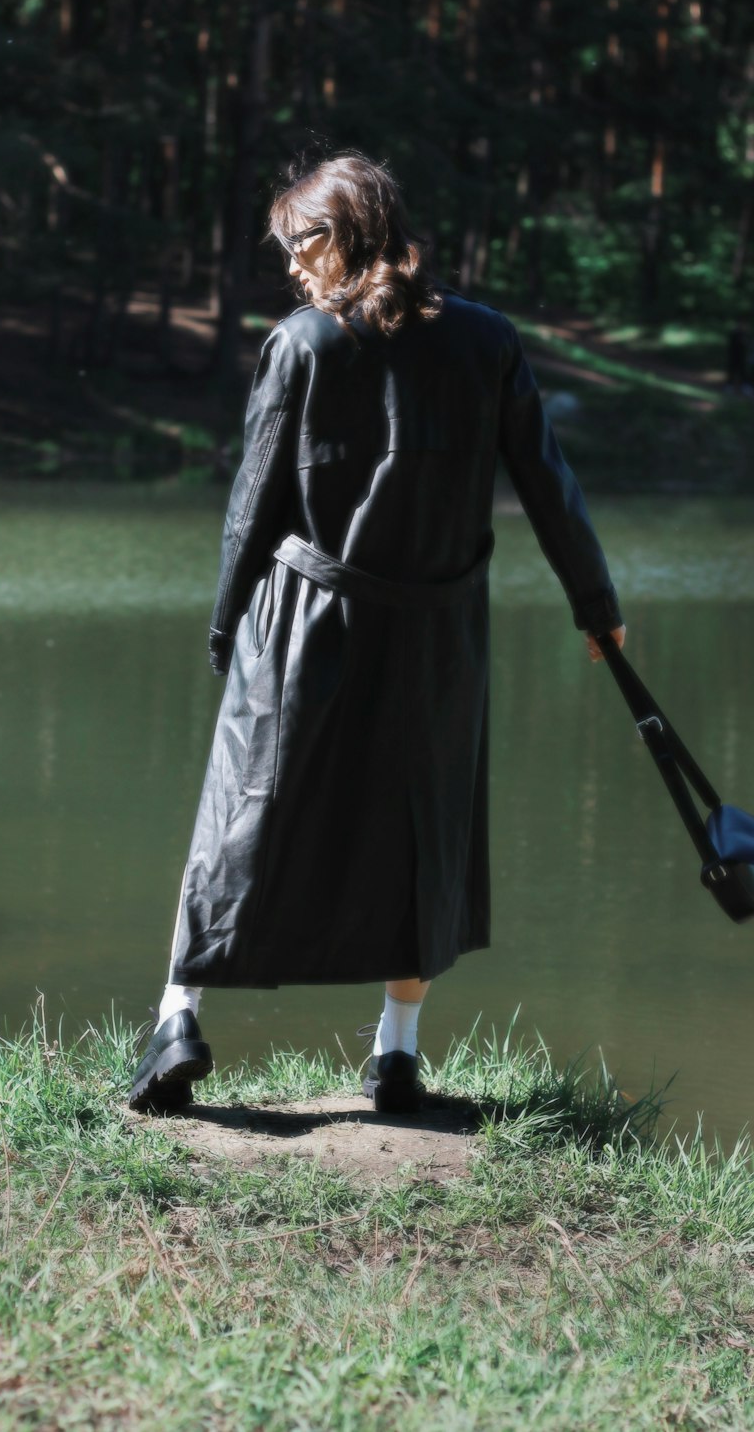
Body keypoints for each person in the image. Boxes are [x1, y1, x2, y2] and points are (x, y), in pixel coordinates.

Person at [129, 153, 626, 1115]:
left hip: (306, 619)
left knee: (245, 814)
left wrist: (227, 622)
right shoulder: (488, 340)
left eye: (297, 243)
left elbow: (253, 504)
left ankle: (178, 1020)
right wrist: (594, 605)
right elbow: (548, 484)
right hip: (439, 632)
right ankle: (396, 1055)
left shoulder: (305, 345)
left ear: (344, 235)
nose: (290, 266)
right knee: (423, 830)